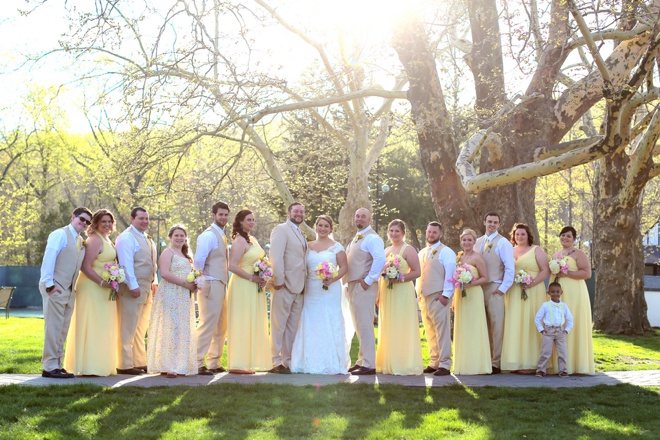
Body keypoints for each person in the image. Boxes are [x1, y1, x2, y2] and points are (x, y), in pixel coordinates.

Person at [63, 209, 120, 376]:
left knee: (102, 326)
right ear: (95, 223)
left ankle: (100, 364)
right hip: (92, 287)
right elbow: (85, 266)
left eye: (109, 221)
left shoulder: (107, 239)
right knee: (93, 324)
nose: (107, 224)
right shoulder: (94, 240)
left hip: (105, 289)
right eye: (103, 221)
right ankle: (89, 366)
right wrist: (102, 282)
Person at [290, 215, 349, 374]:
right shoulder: (307, 246)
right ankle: (307, 360)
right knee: (310, 319)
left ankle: (331, 361)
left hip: (330, 289)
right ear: (315, 226)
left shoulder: (337, 247)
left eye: (326, 226)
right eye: (320, 225)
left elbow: (344, 267)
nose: (322, 229)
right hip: (311, 288)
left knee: (328, 319)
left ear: (331, 229)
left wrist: (333, 278)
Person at [39, 207, 92, 379]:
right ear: (73, 217)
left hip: (69, 290)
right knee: (53, 328)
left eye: (87, 222)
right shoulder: (59, 234)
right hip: (55, 287)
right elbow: (49, 259)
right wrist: (49, 285)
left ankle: (57, 364)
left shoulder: (80, 240)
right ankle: (49, 366)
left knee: (62, 329)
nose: (84, 223)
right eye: (81, 219)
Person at [147, 224, 198, 378]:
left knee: (181, 328)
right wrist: (185, 284)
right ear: (170, 237)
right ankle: (168, 365)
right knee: (170, 327)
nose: (179, 238)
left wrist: (194, 284)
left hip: (183, 295)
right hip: (170, 292)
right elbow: (165, 273)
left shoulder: (186, 255)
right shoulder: (168, 253)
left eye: (182, 235)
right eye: (176, 235)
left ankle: (181, 364)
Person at [375, 220, 423, 376]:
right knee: (388, 325)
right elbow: (379, 272)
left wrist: (400, 278)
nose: (393, 234)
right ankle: (388, 363)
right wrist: (378, 294)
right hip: (387, 292)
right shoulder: (386, 250)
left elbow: (417, 272)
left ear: (403, 232)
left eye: (397, 231)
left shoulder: (408, 250)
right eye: (391, 230)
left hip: (402, 292)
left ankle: (403, 363)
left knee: (401, 325)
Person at [500, 223, 550, 373]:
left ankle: (532, 363)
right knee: (514, 323)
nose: (520, 237)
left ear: (528, 235)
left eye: (523, 234)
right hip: (514, 292)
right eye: (517, 234)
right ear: (513, 236)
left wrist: (531, 283)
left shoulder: (536, 250)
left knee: (530, 323)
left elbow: (545, 270)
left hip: (533, 291)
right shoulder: (509, 251)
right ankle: (515, 362)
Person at [226, 209, 271, 374]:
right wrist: (252, 278)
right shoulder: (239, 240)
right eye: (248, 220)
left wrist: (263, 273)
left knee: (253, 321)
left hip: (255, 286)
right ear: (240, 222)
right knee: (242, 322)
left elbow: (259, 260)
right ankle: (238, 364)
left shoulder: (252, 239)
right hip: (243, 285)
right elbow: (232, 266)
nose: (251, 222)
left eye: (253, 220)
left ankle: (249, 361)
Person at [116, 207, 158, 375]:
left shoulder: (148, 238)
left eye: (147, 218)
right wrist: (133, 285)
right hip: (133, 287)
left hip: (147, 287)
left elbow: (151, 263)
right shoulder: (126, 237)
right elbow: (126, 263)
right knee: (128, 326)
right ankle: (124, 364)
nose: (145, 221)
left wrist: (154, 282)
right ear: (132, 219)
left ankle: (139, 361)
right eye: (141, 218)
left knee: (141, 327)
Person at [344, 208, 386, 376]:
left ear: (369, 219)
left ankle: (369, 363)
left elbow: (380, 259)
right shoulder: (357, 237)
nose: (359, 219)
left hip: (364, 286)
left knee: (365, 324)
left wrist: (368, 280)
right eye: (357, 216)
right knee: (358, 324)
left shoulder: (372, 238)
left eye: (363, 216)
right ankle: (361, 360)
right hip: (355, 285)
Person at [269, 202, 308, 374]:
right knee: (279, 326)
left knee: (292, 326)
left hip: (299, 287)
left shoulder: (301, 233)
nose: (299, 214)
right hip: (283, 286)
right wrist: (279, 280)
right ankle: (275, 361)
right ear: (289, 212)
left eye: (301, 211)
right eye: (296, 211)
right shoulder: (281, 229)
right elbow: (276, 257)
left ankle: (288, 360)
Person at [550, 226, 595, 375]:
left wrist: (567, 273)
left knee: (572, 324)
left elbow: (587, 273)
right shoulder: (555, 254)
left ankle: (576, 364)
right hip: (558, 293)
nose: (565, 238)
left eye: (568, 236)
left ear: (574, 239)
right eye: (562, 235)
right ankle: (559, 365)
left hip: (575, 293)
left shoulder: (579, 253)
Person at [193, 201, 230, 375]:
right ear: (213, 215)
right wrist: (202, 280)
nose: (223, 217)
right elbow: (199, 260)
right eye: (220, 214)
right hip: (210, 283)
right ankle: (197, 361)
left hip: (221, 283)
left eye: (225, 214)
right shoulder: (208, 235)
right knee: (207, 323)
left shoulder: (222, 235)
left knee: (221, 325)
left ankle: (214, 361)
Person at [475, 212, 515, 374]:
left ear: (499, 225)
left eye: (495, 222)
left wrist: (502, 289)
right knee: (481, 324)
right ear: (484, 222)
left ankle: (496, 362)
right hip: (478, 288)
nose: (492, 224)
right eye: (489, 221)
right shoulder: (477, 242)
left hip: (495, 287)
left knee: (496, 325)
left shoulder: (503, 243)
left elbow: (510, 267)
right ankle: (484, 359)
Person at [417, 221, 456, 376]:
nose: (431, 234)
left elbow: (450, 273)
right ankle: (434, 362)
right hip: (424, 297)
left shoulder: (446, 252)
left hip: (439, 296)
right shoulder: (422, 252)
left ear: (440, 234)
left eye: (434, 232)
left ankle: (445, 364)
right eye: (429, 231)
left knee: (442, 332)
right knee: (429, 331)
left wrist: (446, 295)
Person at [452, 228, 492, 375]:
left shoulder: (477, 258)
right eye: (464, 240)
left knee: (474, 328)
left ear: (474, 241)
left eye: (469, 240)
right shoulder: (459, 257)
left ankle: (477, 365)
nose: (466, 242)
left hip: (474, 294)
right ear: (461, 241)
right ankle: (463, 365)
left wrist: (470, 283)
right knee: (463, 328)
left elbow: (485, 278)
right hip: (460, 296)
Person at [535, 282, 573, 378]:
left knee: (562, 352)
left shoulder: (564, 306)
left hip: (560, 331)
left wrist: (567, 329)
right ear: (548, 293)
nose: (555, 294)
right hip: (548, 331)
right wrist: (541, 329)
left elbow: (570, 318)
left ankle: (563, 370)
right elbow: (537, 318)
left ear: (561, 292)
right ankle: (540, 370)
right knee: (545, 352)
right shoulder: (545, 305)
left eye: (557, 292)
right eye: (553, 292)